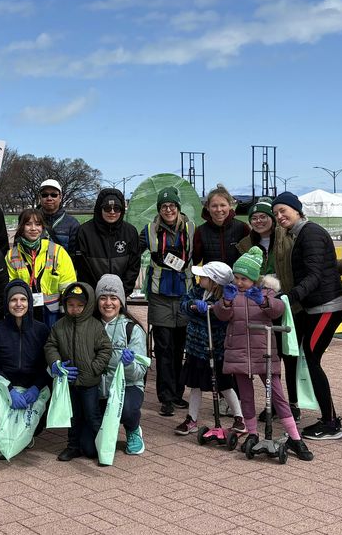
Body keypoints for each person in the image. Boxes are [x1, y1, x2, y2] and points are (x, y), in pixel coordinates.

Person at [213, 248, 312, 460]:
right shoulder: (231, 293)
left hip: (263, 353)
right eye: (236, 277)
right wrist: (226, 302)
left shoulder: (266, 292)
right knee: (246, 396)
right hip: (239, 352)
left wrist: (262, 301)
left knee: (277, 396)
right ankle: (252, 433)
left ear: (254, 279)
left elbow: (278, 309)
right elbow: (221, 315)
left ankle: (295, 437)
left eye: (244, 278)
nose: (239, 282)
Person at [271, 191, 342, 442]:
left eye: (283, 210)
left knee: (312, 358)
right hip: (315, 305)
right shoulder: (298, 233)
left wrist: (290, 296)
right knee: (307, 357)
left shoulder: (310, 233)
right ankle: (327, 418)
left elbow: (314, 275)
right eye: (276, 213)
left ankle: (331, 422)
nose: (279, 216)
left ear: (297, 210)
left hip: (327, 305)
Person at [239, 196, 299, 420]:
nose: (258, 221)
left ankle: (293, 404)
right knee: (269, 358)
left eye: (263, 216)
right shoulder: (245, 244)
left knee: (289, 356)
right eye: (254, 217)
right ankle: (272, 403)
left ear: (272, 218)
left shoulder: (287, 236)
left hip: (287, 303)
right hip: (260, 305)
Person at [139, 186, 193, 417]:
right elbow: (132, 251)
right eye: (163, 206)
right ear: (159, 209)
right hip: (160, 295)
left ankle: (178, 393)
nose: (168, 210)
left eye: (172, 206)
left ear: (178, 207)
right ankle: (166, 397)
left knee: (180, 348)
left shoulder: (191, 228)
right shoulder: (149, 230)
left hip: (184, 294)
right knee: (163, 349)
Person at [45, 282, 112, 462]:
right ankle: (72, 446)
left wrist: (94, 368)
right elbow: (51, 346)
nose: (75, 309)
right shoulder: (59, 326)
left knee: (92, 415)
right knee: (72, 415)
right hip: (69, 381)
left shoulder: (95, 326)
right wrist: (56, 363)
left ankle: (103, 447)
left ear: (87, 305)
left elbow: (106, 349)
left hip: (89, 383)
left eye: (80, 305)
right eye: (71, 305)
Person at [177, 261, 243, 436]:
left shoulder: (224, 299)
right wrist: (193, 304)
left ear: (214, 281)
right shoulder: (197, 291)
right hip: (195, 348)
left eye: (203, 277)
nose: (199, 279)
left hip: (215, 350)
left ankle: (239, 418)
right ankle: (191, 419)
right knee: (194, 384)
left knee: (224, 384)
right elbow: (183, 304)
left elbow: (223, 316)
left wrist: (210, 309)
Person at [0, 279, 51, 429]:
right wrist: (10, 390)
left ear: (29, 302)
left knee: (49, 400)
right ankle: (2, 435)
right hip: (6, 386)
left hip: (32, 387)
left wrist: (36, 387)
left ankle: (29, 434)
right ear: (7, 303)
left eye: (23, 299)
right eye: (13, 300)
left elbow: (47, 365)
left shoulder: (42, 330)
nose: (19, 304)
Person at [95, 275, 147, 456]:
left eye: (114, 298)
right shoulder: (90, 325)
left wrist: (129, 364)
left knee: (126, 410)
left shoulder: (132, 329)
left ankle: (133, 429)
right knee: (88, 445)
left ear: (122, 301)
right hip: (98, 388)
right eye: (103, 297)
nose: (108, 303)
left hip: (128, 386)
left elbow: (139, 372)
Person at [5, 207, 76, 326]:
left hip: (53, 314)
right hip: (24, 311)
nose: (33, 228)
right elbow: (11, 286)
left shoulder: (58, 251)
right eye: (28, 224)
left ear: (42, 227)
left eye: (38, 224)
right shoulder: (12, 255)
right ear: (21, 227)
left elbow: (68, 285)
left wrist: (66, 314)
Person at [72, 187, 141, 294]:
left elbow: (134, 265)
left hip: (119, 295)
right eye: (107, 208)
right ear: (100, 209)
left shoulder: (130, 232)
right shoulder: (84, 232)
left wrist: (121, 292)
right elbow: (82, 267)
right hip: (92, 294)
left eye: (116, 208)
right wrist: (94, 293)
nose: (112, 212)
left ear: (122, 210)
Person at [192, 184, 249, 265]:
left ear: (230, 206)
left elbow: (250, 257)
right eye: (214, 206)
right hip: (210, 273)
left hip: (236, 273)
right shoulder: (200, 231)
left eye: (223, 205)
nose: (219, 209)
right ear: (207, 207)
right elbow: (195, 261)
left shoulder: (242, 228)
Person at [38, 178, 80, 252]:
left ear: (60, 198)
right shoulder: (30, 221)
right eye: (45, 195)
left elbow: (74, 254)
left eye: (54, 195)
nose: (49, 198)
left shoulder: (72, 224)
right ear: (40, 198)